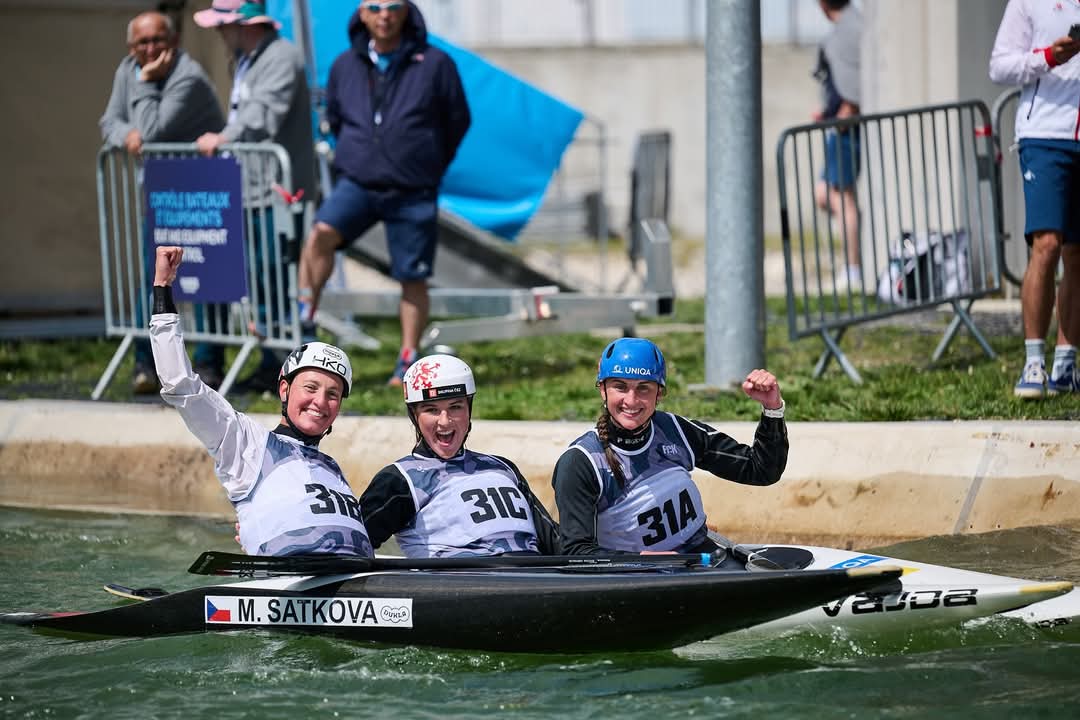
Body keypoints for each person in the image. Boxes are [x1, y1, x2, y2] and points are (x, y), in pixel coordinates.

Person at [150, 245, 372, 557]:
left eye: (332, 394)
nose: (320, 402)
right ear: (284, 389)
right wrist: (163, 289)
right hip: (291, 587)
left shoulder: (331, 469)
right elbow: (179, 383)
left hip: (355, 585)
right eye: (310, 388)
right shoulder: (245, 442)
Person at [296, 0, 471, 386]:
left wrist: (427, 162)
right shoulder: (345, 64)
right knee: (320, 234)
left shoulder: (435, 63)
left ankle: (407, 357)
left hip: (413, 187)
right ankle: (305, 319)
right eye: (374, 6)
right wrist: (358, 153)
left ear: (406, 11)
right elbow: (339, 118)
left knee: (411, 276)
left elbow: (457, 118)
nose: (384, 14)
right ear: (362, 13)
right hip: (358, 181)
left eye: (393, 6)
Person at [551, 338, 788, 556]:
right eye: (620, 387)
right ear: (603, 389)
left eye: (644, 388)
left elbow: (761, 470)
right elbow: (576, 554)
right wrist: (639, 562)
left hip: (701, 558)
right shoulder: (580, 463)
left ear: (659, 393)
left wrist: (772, 409)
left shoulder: (676, 430)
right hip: (636, 582)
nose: (631, 401)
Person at [193, 0, 318, 393]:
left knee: (273, 279)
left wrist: (224, 138)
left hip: (278, 191)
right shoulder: (249, 56)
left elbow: (265, 114)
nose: (218, 33)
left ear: (243, 24)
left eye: (222, 25)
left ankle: (281, 367)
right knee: (262, 281)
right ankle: (274, 366)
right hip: (253, 189)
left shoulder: (281, 56)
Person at [99, 10, 225, 395]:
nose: (150, 49)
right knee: (151, 279)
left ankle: (208, 360)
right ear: (130, 46)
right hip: (160, 194)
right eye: (142, 43)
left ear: (173, 42)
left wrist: (148, 83)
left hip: (201, 192)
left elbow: (153, 132)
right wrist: (126, 135)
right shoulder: (128, 70)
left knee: (206, 280)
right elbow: (109, 122)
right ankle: (145, 362)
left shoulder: (186, 75)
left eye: (158, 40)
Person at [359, 354, 560, 557]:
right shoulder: (399, 479)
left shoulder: (502, 468)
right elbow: (353, 547)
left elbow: (556, 541)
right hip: (464, 584)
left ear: (469, 409)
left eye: (455, 407)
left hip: (533, 578)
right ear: (414, 415)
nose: (445, 422)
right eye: (432, 410)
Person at [989, 1, 1080, 399]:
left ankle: (1065, 365)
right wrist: (1048, 56)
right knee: (1046, 245)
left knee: (1078, 254)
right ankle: (1033, 363)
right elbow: (1000, 66)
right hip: (1045, 136)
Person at [812, 0, 863, 291]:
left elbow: (854, 85)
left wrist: (846, 113)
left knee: (842, 199)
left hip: (846, 129)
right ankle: (851, 256)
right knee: (824, 194)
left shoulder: (850, 28)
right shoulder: (844, 28)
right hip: (837, 125)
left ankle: (852, 270)